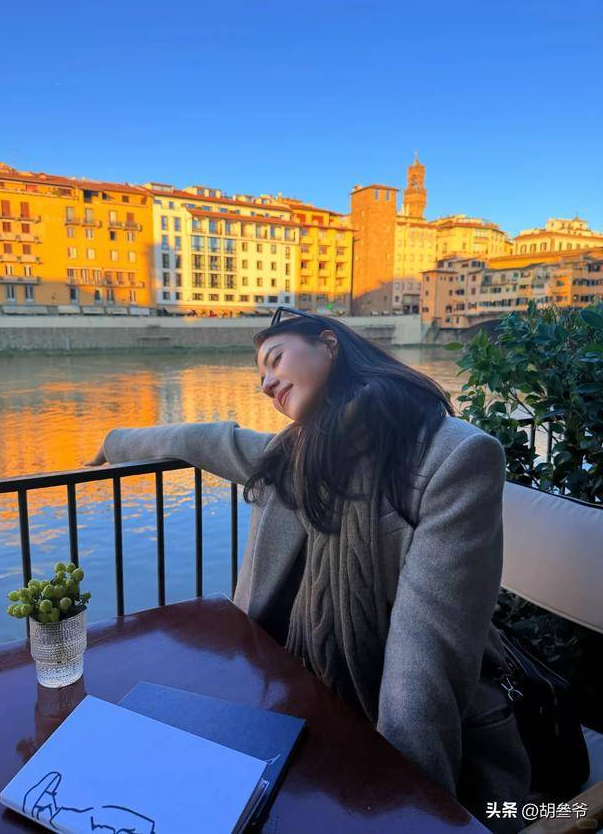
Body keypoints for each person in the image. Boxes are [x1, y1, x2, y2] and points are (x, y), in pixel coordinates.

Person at [86, 307, 531, 833]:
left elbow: (424, 666)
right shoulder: (297, 452)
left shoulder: (451, 456)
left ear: (329, 344)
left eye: (275, 360)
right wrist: (114, 443)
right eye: (261, 377)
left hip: (390, 738)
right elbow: (207, 439)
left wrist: (406, 812)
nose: (267, 384)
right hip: (289, 702)